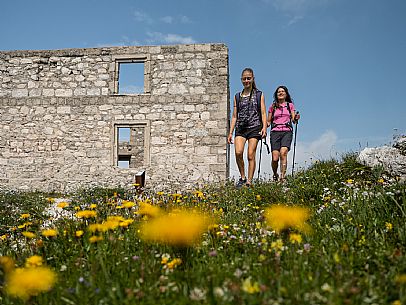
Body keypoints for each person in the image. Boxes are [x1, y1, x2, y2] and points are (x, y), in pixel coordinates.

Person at [228, 68, 267, 188]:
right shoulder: (237, 96)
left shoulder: (259, 94)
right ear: (241, 80)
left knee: (251, 154)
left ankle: (249, 181)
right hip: (241, 128)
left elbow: (263, 113)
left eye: (248, 78)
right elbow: (234, 116)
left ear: (253, 78)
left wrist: (264, 127)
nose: (246, 81)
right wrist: (230, 132)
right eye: (244, 78)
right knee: (238, 152)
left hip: (254, 127)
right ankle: (243, 177)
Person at [267, 85, 300, 182]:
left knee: (283, 153)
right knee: (275, 158)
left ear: (286, 94)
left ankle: (282, 177)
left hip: (287, 131)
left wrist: (296, 118)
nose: (280, 93)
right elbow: (269, 121)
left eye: (283, 91)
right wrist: (263, 127)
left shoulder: (290, 106)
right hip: (275, 132)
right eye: (278, 92)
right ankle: (275, 174)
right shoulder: (273, 107)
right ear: (276, 95)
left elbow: (293, 120)